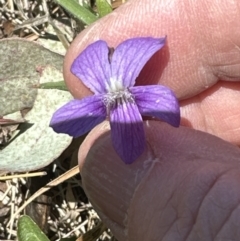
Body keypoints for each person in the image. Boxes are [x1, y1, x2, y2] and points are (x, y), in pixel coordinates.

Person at [64, 0, 240, 240]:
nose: (122, 114)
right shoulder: (111, 90)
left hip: (118, 92)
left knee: (132, 148)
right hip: (111, 91)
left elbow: (166, 104)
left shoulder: (128, 94)